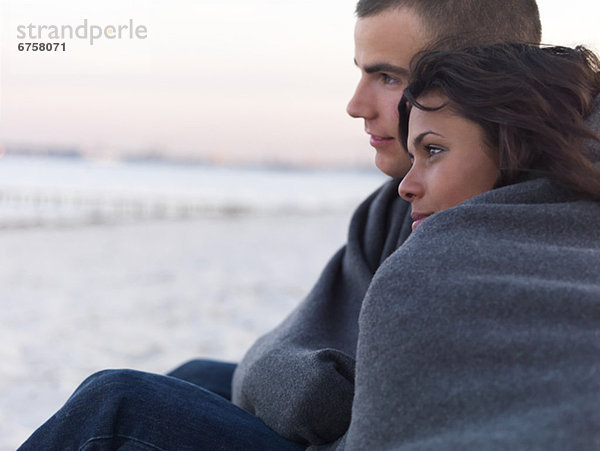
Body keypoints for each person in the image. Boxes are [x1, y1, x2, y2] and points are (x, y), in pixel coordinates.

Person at [18, 1, 562, 449]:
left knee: (115, 406)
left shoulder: (537, 214)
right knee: (196, 374)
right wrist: (292, 376)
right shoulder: (398, 202)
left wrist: (292, 377)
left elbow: (321, 402)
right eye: (361, 71)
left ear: (481, 79)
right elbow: (299, 373)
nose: (355, 105)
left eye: (387, 76)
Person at [341, 43, 600, 449]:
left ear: (517, 150)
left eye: (434, 151)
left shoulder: (422, 271)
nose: (406, 187)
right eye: (412, 156)